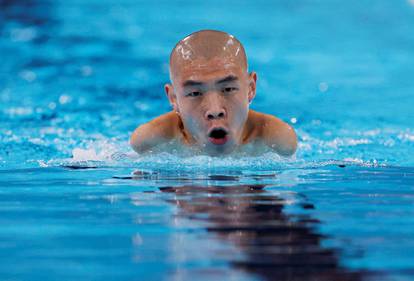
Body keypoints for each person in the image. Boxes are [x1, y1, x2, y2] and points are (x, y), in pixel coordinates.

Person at [130, 30, 297, 156]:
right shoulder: (153, 143)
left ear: (251, 88)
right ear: (173, 98)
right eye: (195, 93)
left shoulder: (276, 142)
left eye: (228, 89)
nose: (215, 110)